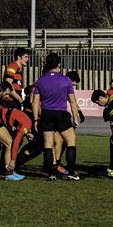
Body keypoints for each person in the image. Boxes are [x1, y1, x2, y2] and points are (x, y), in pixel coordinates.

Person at [32, 53, 80, 181]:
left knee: (48, 144)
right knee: (71, 142)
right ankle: (71, 172)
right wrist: (75, 117)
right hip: (61, 113)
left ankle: (51, 174)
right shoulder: (66, 80)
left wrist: (36, 119)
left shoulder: (40, 80)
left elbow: (35, 102)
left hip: (46, 114)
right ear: (59, 64)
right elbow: (73, 101)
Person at [0, 107, 33, 181]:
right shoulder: (27, 125)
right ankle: (8, 173)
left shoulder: (27, 123)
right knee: (9, 143)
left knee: (9, 144)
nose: (30, 139)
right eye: (32, 138)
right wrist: (13, 160)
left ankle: (10, 171)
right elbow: (16, 141)